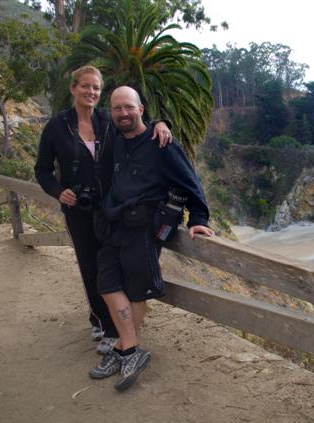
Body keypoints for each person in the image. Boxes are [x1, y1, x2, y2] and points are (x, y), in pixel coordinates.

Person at [34, 66, 172, 354]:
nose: (91, 93)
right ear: (73, 89)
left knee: (114, 264)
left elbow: (133, 123)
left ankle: (118, 324)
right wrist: (60, 192)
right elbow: (43, 170)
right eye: (85, 86)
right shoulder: (57, 127)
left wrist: (161, 122)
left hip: (111, 207)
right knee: (90, 265)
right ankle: (101, 323)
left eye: (96, 88)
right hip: (78, 210)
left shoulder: (106, 120)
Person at [88, 86, 213, 392]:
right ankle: (129, 349)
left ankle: (125, 351)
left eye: (129, 107)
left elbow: (190, 181)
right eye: (117, 108)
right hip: (116, 224)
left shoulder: (162, 144)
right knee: (105, 283)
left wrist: (199, 219)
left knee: (137, 290)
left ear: (141, 109)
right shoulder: (116, 141)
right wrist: (163, 119)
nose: (123, 113)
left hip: (144, 228)